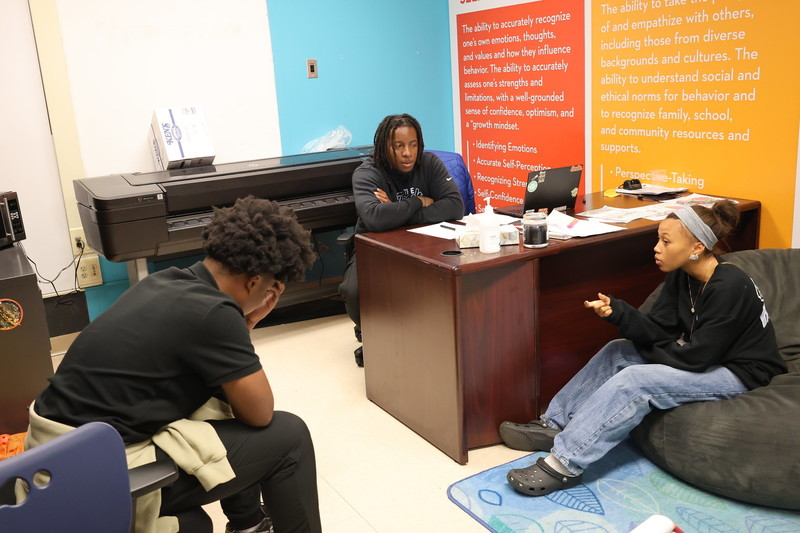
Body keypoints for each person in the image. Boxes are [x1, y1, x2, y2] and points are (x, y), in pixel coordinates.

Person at [27, 196, 322, 533]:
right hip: (94, 476)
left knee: (213, 405)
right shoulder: (215, 314)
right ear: (255, 282)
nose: (271, 297)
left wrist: (241, 327)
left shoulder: (166, 281)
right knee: (290, 436)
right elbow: (260, 414)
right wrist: (246, 325)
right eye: (273, 288)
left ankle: (249, 524)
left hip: (47, 463)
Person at [499, 200, 787, 497]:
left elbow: (696, 359)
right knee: (618, 350)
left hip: (740, 372)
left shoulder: (730, 286)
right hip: (706, 356)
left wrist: (645, 362)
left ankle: (563, 464)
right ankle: (553, 424)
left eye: (666, 241)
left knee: (636, 382)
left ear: (696, 247)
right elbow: (658, 330)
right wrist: (619, 313)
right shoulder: (683, 275)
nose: (656, 248)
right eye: (658, 239)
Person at [338, 113, 464, 366]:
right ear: (386, 146)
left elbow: (454, 206)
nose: (408, 153)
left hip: (424, 242)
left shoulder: (429, 163)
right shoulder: (367, 173)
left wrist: (395, 209)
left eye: (413, 144)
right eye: (399, 146)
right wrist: (418, 201)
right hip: (374, 245)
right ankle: (369, 333)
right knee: (352, 291)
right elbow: (374, 218)